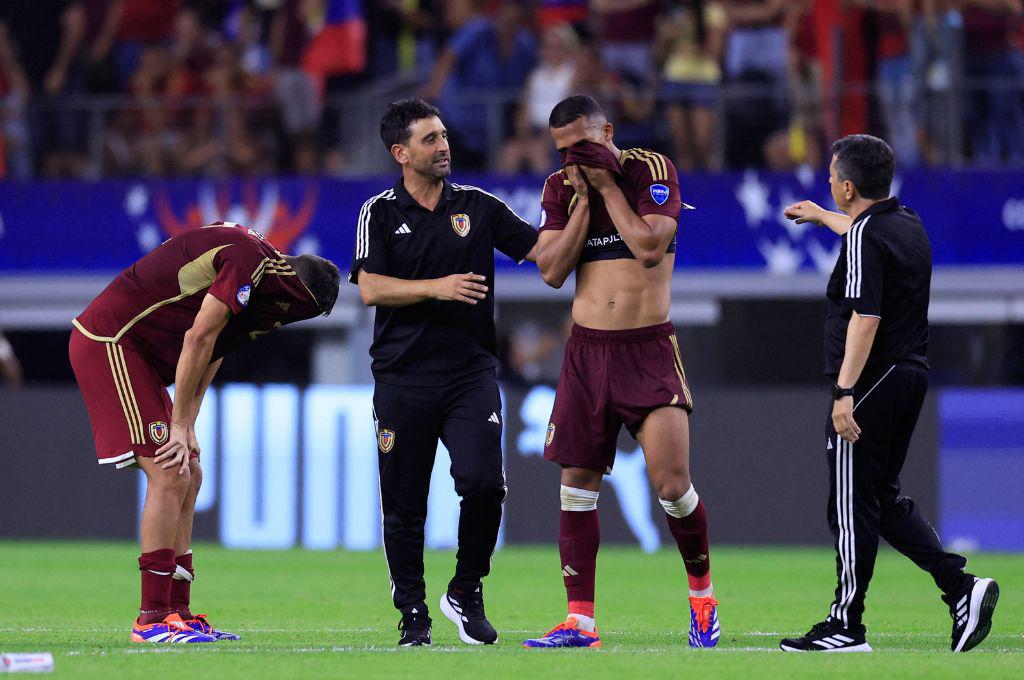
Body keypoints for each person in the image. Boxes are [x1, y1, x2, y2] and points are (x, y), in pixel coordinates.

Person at [69, 222, 341, 644]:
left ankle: (178, 611)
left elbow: (215, 346)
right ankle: (152, 618)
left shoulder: (260, 273)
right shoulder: (252, 263)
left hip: (138, 353)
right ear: (299, 295)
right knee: (169, 471)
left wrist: (188, 421)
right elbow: (197, 337)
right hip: (111, 340)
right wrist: (177, 424)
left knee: (189, 473)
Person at [779, 134, 999, 653]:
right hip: (910, 374)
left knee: (851, 502)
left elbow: (866, 316)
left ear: (849, 186)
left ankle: (845, 624)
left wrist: (843, 392)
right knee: (880, 499)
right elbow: (860, 234)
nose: (829, 182)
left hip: (872, 378)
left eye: (833, 176)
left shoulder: (864, 236)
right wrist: (821, 216)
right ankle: (961, 586)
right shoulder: (907, 223)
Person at [521, 94, 718, 650]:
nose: (570, 160)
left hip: (647, 347)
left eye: (581, 146)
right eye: (561, 152)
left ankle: (703, 601)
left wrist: (606, 186)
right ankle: (580, 621)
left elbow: (651, 247)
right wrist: (583, 201)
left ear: (606, 130)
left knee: (672, 486)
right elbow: (552, 272)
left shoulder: (649, 169)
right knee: (576, 488)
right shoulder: (561, 188)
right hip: (586, 353)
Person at [350, 98, 538, 647]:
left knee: (484, 484)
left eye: (444, 135)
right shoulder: (378, 212)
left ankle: (466, 589)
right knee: (404, 504)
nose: (443, 146)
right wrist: (439, 286)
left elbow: (541, 251)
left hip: (469, 374)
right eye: (429, 139)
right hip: (402, 377)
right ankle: (413, 614)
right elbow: (368, 288)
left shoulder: (478, 206)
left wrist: (593, 223)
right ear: (400, 153)